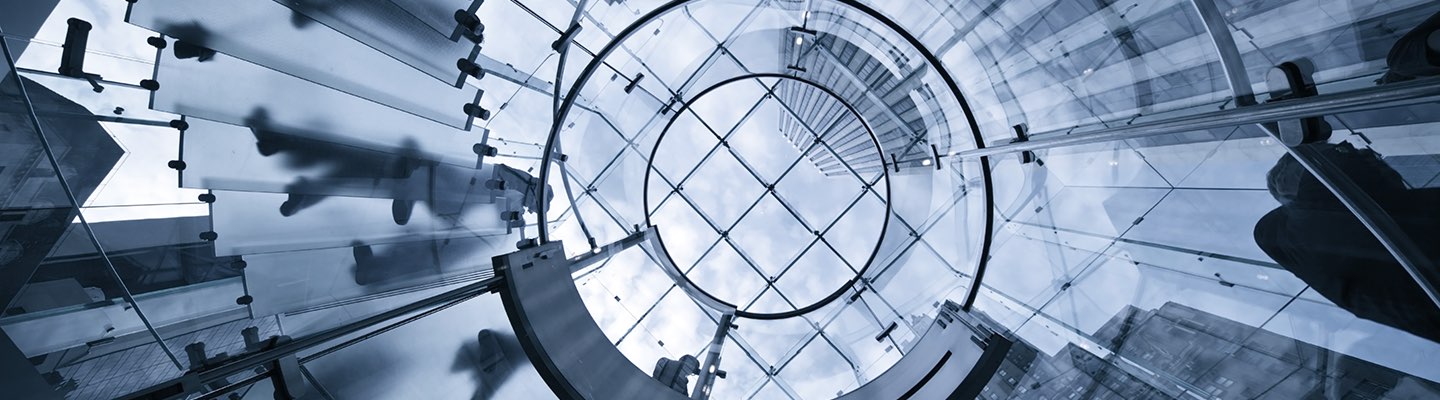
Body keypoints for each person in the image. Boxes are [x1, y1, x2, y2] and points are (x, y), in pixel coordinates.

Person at [1253, 142, 1440, 343]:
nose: (1364, 153)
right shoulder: (1305, 233)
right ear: (1284, 181)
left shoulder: (1391, 214)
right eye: (1347, 151)